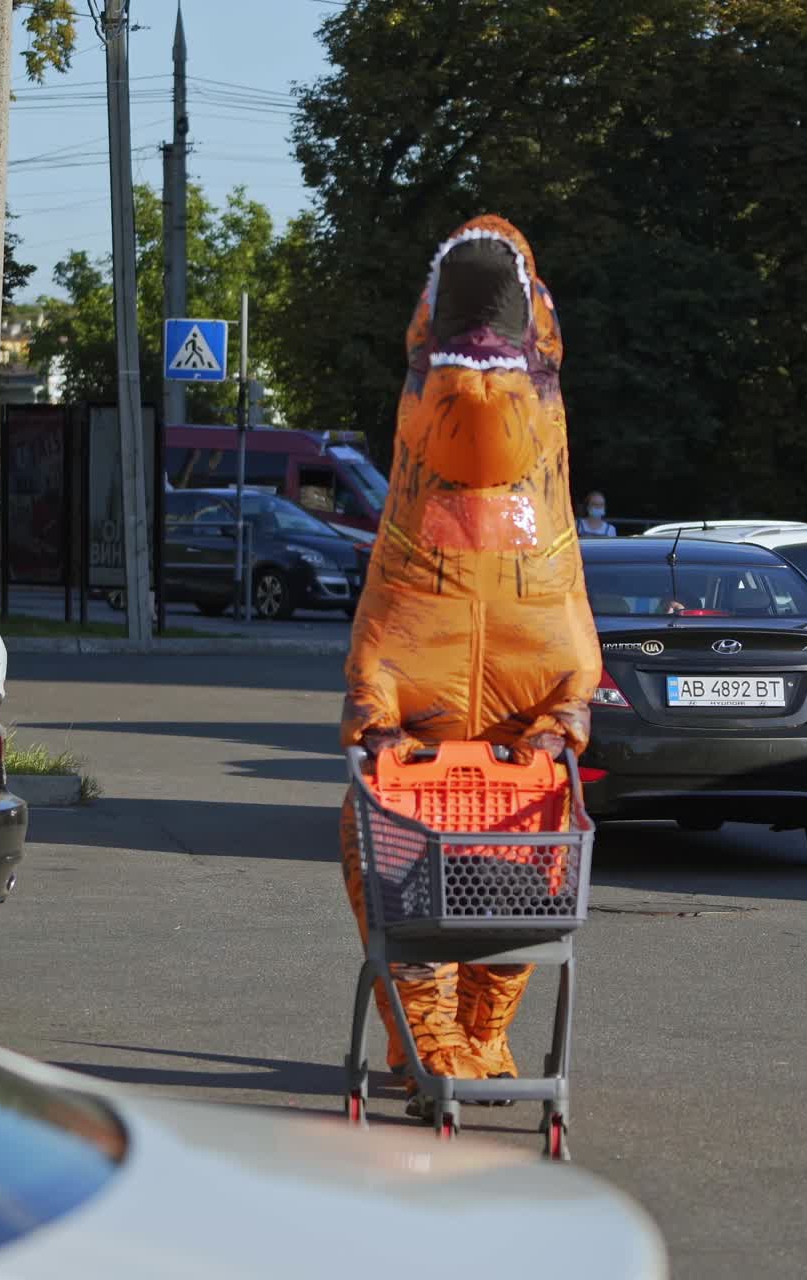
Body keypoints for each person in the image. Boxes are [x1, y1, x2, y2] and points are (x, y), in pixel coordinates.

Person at [339, 214, 602, 1117]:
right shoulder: (418, 492)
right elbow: (381, 635)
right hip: (419, 769)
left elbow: (570, 648)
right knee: (399, 883)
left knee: (522, 884)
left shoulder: (548, 498)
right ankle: (430, 1035)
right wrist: (374, 714)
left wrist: (564, 718)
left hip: (510, 774)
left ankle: (481, 1030)